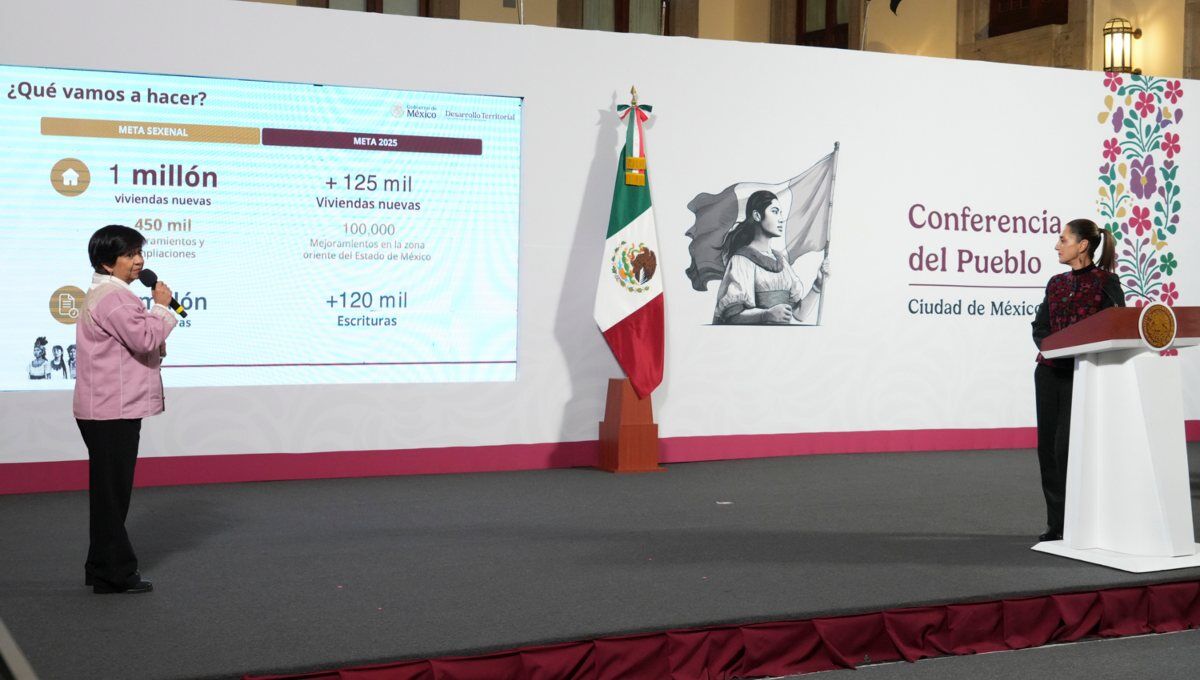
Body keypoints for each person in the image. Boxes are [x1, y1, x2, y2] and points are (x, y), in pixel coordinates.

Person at [74, 224, 176, 594]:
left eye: (139, 253)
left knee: (108, 495)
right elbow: (145, 338)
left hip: (107, 407)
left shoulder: (110, 295)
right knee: (112, 497)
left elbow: (136, 341)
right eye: (130, 254)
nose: (139, 261)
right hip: (111, 409)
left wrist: (155, 326)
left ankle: (101, 568)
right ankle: (115, 574)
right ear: (106, 262)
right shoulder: (114, 299)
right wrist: (162, 308)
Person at [1030, 218, 1123, 542]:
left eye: (1063, 239)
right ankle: (1057, 525)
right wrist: (1052, 347)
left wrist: (1075, 351)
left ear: (1083, 245)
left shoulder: (1106, 282)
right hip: (1048, 373)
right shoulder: (1055, 283)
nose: (1057, 246)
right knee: (1048, 451)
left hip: (1083, 375)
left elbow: (1115, 327)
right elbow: (1040, 327)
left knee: (1068, 449)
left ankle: (1084, 523)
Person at [711, 190, 829, 324]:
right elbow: (732, 317)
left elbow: (799, 314)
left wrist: (818, 285)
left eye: (780, 213)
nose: (781, 219)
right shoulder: (741, 260)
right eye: (775, 211)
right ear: (757, 215)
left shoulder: (781, 261)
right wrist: (765, 315)